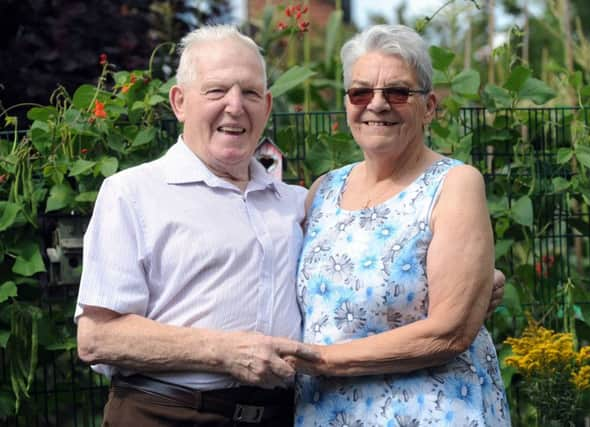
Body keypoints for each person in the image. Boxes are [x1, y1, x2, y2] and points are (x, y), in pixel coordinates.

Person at [75, 25, 506, 427]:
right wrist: (226, 352)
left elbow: (414, 289)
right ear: (179, 102)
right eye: (216, 91)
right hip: (167, 413)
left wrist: (472, 285)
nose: (234, 105)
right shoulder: (132, 194)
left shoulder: (297, 202)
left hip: (290, 413)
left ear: (266, 107)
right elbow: (96, 337)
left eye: (249, 92)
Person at [291, 24, 511, 426]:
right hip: (328, 411)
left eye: (397, 92)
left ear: (428, 106)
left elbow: (449, 332)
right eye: (360, 92)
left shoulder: (454, 184)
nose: (377, 104)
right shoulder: (322, 191)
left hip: (427, 412)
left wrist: (321, 360)